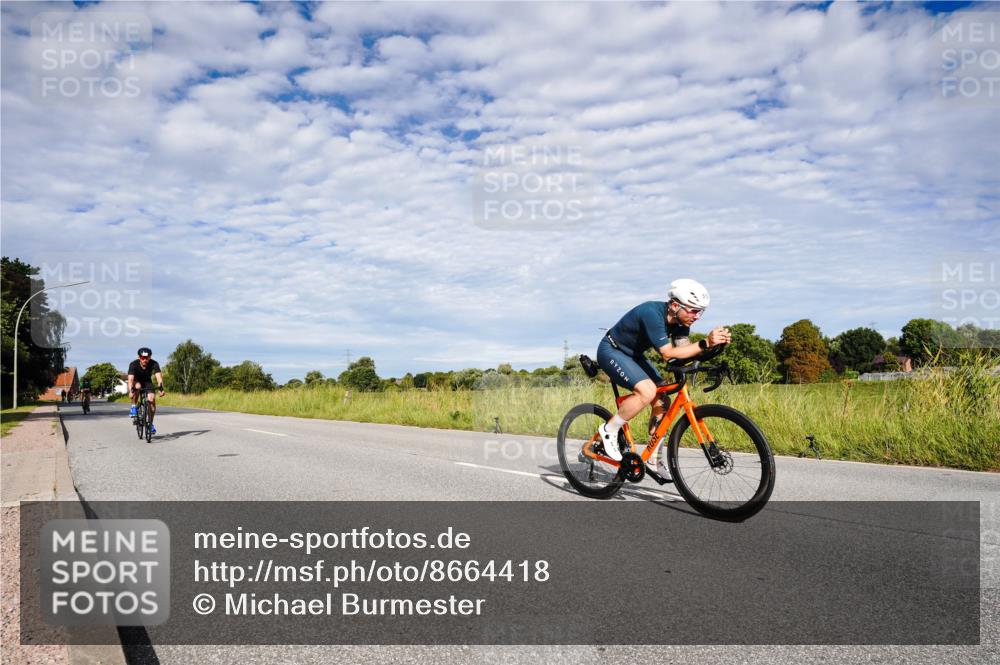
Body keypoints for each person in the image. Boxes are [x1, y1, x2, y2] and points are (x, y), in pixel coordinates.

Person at [595, 279, 731, 461]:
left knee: (662, 400)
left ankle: (653, 457)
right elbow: (668, 354)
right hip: (611, 350)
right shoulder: (652, 313)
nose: (697, 316)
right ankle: (609, 430)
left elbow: (682, 354)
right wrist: (705, 342)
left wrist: (712, 350)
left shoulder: (682, 324)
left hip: (634, 355)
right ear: (675, 305)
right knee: (647, 391)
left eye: (701, 312)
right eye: (693, 310)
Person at [127, 347, 166, 434]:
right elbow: (130, 380)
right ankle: (133, 407)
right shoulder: (133, 364)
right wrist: (130, 391)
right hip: (136, 381)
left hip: (147, 382)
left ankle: (150, 424)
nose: (145, 360)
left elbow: (159, 377)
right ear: (139, 357)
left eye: (147, 358)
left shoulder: (154, 363)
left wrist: (161, 388)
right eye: (142, 358)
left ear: (150, 357)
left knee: (151, 399)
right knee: (137, 386)